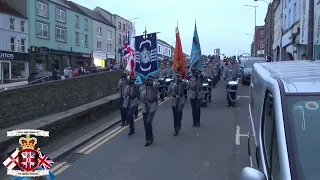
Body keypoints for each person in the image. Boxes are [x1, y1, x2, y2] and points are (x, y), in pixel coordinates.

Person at [139, 75, 159, 146]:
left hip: (152, 105)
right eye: (147, 80)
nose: (148, 81)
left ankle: (150, 138)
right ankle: (148, 138)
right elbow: (140, 97)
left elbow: (158, 84)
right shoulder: (142, 88)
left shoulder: (154, 87)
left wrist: (152, 82)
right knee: (145, 123)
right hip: (144, 106)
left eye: (149, 80)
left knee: (148, 121)